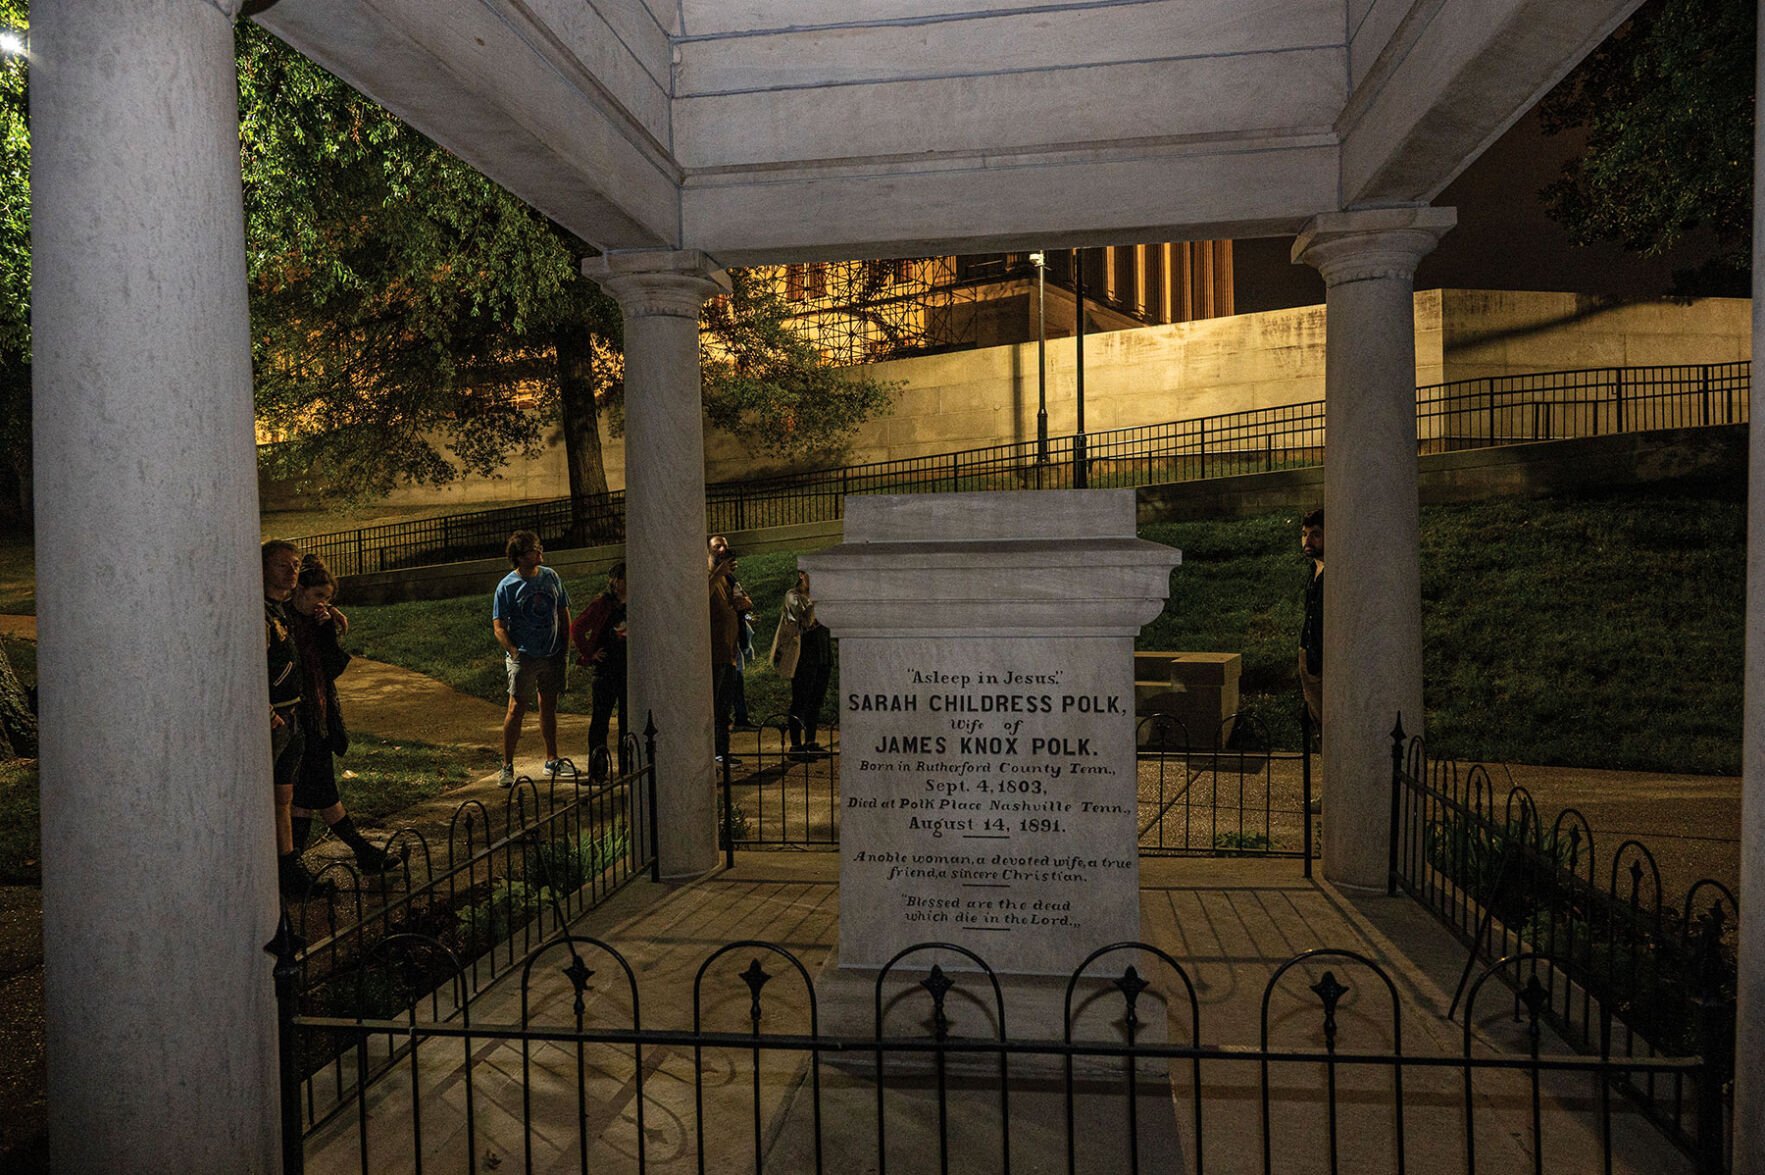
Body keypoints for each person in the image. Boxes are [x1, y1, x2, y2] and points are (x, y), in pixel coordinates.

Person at [287, 555, 400, 874]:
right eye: (318, 597)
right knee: (317, 793)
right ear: (300, 591)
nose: (323, 604)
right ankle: (359, 854)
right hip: (299, 721)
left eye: (328, 599)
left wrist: (326, 628)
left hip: (318, 719)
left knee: (309, 795)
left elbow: (332, 667)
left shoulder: (316, 623)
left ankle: (297, 863)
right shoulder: (285, 623)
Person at [264, 540, 330, 899]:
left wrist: (332, 617)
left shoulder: (281, 611)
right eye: (282, 566)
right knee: (270, 796)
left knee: (283, 796)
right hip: (276, 719)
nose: (291, 571)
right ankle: (277, 868)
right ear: (262, 570)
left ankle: (288, 865)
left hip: (293, 714)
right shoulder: (260, 614)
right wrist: (267, 712)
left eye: (294, 565)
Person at [492, 530, 571, 786]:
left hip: (552, 654)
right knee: (516, 708)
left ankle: (552, 759)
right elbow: (498, 625)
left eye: (539, 547)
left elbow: (563, 610)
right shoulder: (507, 586)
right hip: (524, 657)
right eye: (533, 549)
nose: (539, 552)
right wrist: (514, 651)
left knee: (548, 705)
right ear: (520, 556)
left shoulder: (551, 577)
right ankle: (506, 766)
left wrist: (564, 645)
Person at [570, 562, 628, 782]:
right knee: (600, 721)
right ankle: (598, 769)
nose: (619, 582)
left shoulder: (639, 602)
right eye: (619, 578)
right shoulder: (603, 604)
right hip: (606, 671)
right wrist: (589, 653)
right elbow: (577, 627)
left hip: (628, 671)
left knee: (627, 719)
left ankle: (627, 767)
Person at [770, 570, 832, 759]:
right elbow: (804, 621)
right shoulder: (793, 596)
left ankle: (811, 741)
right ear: (801, 574)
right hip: (803, 655)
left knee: (816, 700)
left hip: (822, 651)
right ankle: (796, 745)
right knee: (801, 699)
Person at [709, 535, 759, 732]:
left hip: (731, 647)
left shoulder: (729, 577)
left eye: (725, 546)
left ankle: (723, 752)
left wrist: (745, 603)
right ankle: (715, 753)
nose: (722, 550)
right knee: (715, 702)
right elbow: (699, 598)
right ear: (708, 550)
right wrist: (717, 573)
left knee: (725, 704)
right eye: (717, 546)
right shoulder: (706, 574)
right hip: (714, 649)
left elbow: (743, 597)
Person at [1298, 507, 1324, 739]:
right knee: (1317, 719)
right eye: (1305, 534)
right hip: (1308, 653)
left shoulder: (1335, 572)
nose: (1308, 540)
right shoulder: (1314, 568)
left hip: (1324, 658)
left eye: (1315, 534)